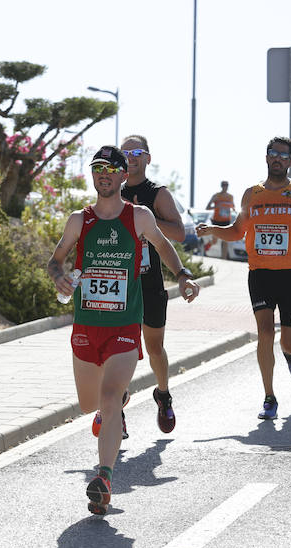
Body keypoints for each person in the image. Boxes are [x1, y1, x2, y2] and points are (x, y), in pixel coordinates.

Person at [48, 145, 200, 515]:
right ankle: (111, 407)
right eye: (97, 169)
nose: (103, 175)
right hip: (87, 325)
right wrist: (59, 277)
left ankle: (104, 477)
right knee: (91, 404)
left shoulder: (139, 216)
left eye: (110, 169)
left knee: (111, 395)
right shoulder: (79, 220)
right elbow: (55, 260)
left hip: (124, 325)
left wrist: (182, 275)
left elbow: (163, 246)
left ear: (122, 175)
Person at [196, 136, 291, 420]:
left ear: (290, 161)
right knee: (265, 333)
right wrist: (213, 229)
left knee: (289, 342)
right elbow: (237, 231)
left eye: (284, 155)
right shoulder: (251, 194)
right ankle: (269, 397)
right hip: (260, 274)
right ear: (266, 157)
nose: (278, 158)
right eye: (273, 153)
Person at [116, 134, 184, 436]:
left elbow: (179, 233)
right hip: (119, 284)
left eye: (137, 153)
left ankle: (163, 394)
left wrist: (145, 219)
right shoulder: (111, 191)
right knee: (119, 348)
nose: (131, 158)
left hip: (149, 282)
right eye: (125, 153)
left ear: (148, 158)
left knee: (153, 348)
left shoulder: (157, 194)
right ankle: (116, 408)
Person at [206, 180, 236, 258]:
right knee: (215, 241)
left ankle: (223, 259)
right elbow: (207, 207)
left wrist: (232, 207)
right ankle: (207, 245)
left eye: (226, 185)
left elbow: (233, 207)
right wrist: (216, 206)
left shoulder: (230, 197)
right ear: (221, 186)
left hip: (226, 220)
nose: (225, 187)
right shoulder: (216, 196)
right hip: (216, 220)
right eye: (224, 185)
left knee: (225, 240)